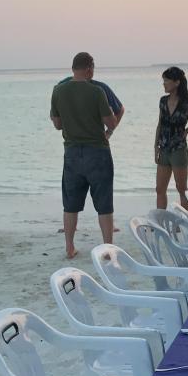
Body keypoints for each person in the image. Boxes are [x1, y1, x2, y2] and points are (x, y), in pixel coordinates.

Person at [50, 51, 117, 258]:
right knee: (104, 203)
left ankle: (69, 247)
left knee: (71, 203)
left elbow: (57, 124)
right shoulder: (96, 92)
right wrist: (108, 130)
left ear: (73, 68)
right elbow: (111, 122)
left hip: (71, 152)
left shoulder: (58, 91)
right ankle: (107, 249)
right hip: (97, 151)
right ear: (89, 68)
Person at [154, 66, 188, 209]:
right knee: (160, 189)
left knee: (182, 190)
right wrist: (156, 147)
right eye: (164, 80)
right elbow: (160, 124)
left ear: (177, 82)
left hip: (179, 150)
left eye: (166, 80)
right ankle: (160, 223)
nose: (164, 83)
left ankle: (183, 224)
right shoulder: (163, 101)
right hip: (164, 149)